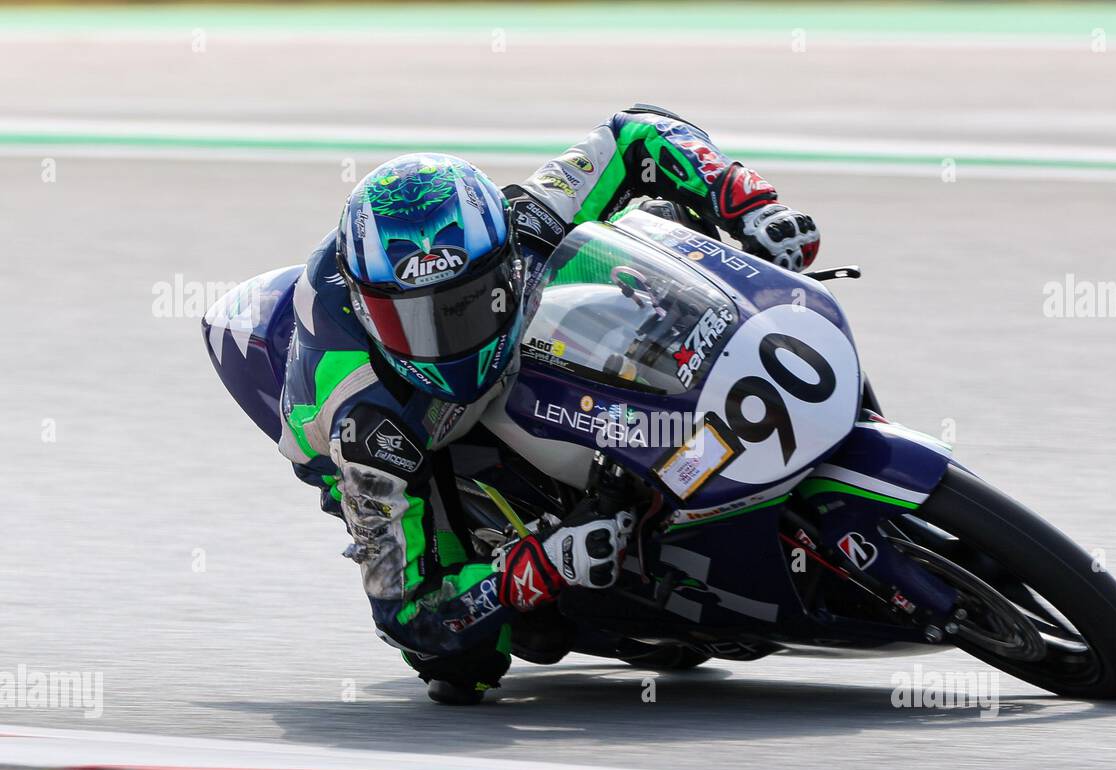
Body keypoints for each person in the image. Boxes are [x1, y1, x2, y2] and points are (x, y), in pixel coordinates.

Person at [233, 104, 819, 705]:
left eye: (464, 305)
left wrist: (747, 203)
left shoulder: (525, 220)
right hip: (397, 423)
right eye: (411, 320)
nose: (441, 340)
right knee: (465, 664)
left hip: (514, 345)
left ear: (504, 260)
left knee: (640, 241)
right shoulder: (363, 424)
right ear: (365, 305)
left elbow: (635, 134)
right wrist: (536, 569)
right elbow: (406, 611)